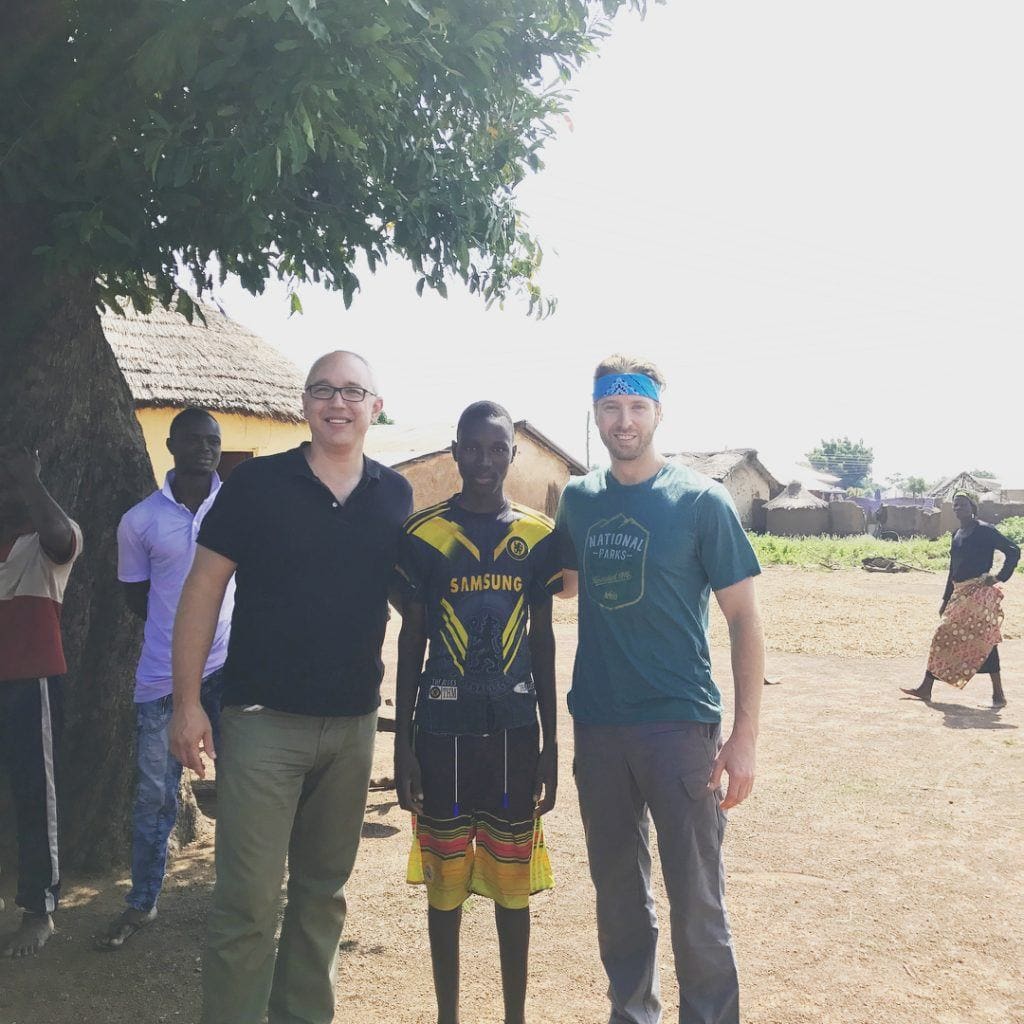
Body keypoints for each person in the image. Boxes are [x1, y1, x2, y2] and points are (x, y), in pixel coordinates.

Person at [170, 351, 412, 1024]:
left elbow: (411, 598)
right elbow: (202, 591)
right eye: (324, 391)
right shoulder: (255, 486)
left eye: (353, 392)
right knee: (247, 904)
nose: (339, 403)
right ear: (304, 404)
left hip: (352, 726)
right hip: (261, 722)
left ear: (375, 406)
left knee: (322, 896)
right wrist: (188, 704)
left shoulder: (394, 495)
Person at [555, 355, 764, 1024]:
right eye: (611, 408)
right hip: (599, 727)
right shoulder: (579, 500)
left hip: (681, 730)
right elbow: (561, 582)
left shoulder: (702, 501)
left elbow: (743, 618)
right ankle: (632, 1014)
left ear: (657, 412)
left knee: (697, 899)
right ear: (596, 412)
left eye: (637, 407)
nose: (624, 420)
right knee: (618, 898)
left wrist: (744, 739)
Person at [394, 402, 560, 1024]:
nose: (485, 461)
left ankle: (514, 1015)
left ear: (512, 454)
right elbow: (412, 640)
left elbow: (542, 641)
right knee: (447, 888)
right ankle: (448, 1015)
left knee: (511, 887)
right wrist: (402, 743)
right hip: (441, 736)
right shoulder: (422, 536)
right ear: (455, 451)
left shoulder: (540, 537)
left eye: (498, 449)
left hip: (516, 736)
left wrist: (551, 743)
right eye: (474, 448)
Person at [98, 408, 232, 950]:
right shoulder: (139, 521)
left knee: (248, 789)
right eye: (194, 440)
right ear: (172, 444)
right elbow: (138, 599)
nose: (205, 449)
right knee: (154, 794)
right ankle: (142, 902)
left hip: (232, 672)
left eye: (213, 441)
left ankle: (239, 898)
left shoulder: (239, 510)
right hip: (161, 679)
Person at [0, 444, 82, 958]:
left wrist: (29, 479)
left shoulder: (50, 543)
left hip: (31, 686)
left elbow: (59, 534)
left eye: (15, 484)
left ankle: (39, 909)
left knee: (35, 797)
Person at [901, 491, 1019, 708]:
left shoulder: (984, 530)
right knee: (982, 639)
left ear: (972, 506)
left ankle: (928, 687)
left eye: (963, 504)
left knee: (951, 636)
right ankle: (997, 694)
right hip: (960, 593)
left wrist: (999, 577)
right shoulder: (957, 533)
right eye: (955, 505)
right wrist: (946, 599)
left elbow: (1013, 550)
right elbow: (952, 570)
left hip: (978, 593)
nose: (958, 508)